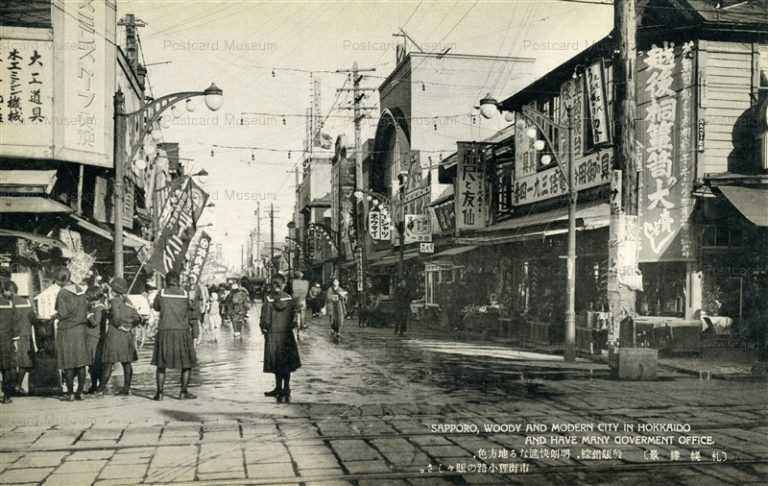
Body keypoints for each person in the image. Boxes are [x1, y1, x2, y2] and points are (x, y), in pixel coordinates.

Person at [152, 271, 198, 401]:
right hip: (182, 331)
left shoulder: (161, 293)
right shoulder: (185, 294)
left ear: (166, 281)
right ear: (178, 281)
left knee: (161, 364)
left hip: (164, 331)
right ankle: (183, 392)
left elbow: (156, 307)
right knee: (186, 363)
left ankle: (159, 393)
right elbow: (191, 310)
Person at [260, 273, 300, 403]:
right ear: (283, 284)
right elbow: (294, 318)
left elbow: (265, 319)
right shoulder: (289, 299)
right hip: (286, 335)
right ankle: (286, 387)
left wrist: (264, 328)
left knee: (276, 362)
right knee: (286, 362)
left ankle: (278, 387)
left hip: (273, 334)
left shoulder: (269, 299)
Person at [53, 268, 90, 401]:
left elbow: (62, 312)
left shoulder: (63, 292)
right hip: (80, 330)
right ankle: (79, 393)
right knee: (81, 363)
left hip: (67, 331)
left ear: (60, 280)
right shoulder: (80, 290)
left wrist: (54, 316)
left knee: (68, 362)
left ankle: (70, 393)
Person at [100, 277, 140, 396]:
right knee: (127, 363)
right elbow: (137, 318)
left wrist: (119, 325)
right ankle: (126, 388)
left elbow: (116, 318)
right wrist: (129, 327)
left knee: (108, 363)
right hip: (127, 336)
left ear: (114, 290)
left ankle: (100, 389)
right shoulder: (129, 301)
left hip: (115, 334)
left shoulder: (114, 301)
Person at [9, 281, 36, 396]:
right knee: (24, 363)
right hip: (26, 335)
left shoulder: (8, 302)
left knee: (10, 363)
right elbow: (33, 318)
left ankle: (11, 386)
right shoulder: (27, 301)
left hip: (10, 336)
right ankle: (17, 385)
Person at [0, 279, 20, 403]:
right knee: (7, 368)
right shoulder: (8, 304)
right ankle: (6, 395)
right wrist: (15, 339)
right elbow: (14, 324)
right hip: (6, 340)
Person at [84, 286, 106, 394]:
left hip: (93, 338)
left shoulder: (99, 308)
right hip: (91, 337)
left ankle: (95, 385)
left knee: (94, 363)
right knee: (92, 363)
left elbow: (95, 322)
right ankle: (94, 385)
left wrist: (88, 315)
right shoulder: (96, 307)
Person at [291, 272, 310, 337]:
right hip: (302, 300)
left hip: (294, 300)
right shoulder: (305, 283)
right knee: (302, 313)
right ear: (301, 277)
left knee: (294, 312)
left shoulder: (292, 282)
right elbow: (306, 292)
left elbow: (290, 291)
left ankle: (293, 323)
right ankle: (302, 324)